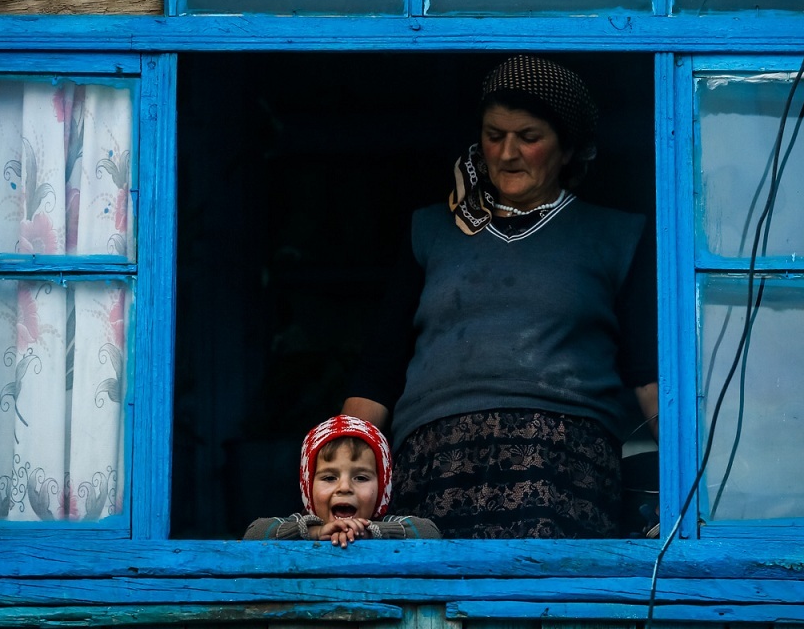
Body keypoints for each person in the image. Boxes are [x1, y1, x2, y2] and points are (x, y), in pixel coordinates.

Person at [342, 54, 658, 539]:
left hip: (559, 463)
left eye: (529, 138)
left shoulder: (614, 236)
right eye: (494, 135)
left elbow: (647, 375)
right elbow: (379, 372)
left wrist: (699, 486)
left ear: (568, 148)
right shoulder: (430, 230)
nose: (507, 153)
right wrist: (344, 475)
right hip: (434, 462)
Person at [242, 415, 441, 545]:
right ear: (308, 488)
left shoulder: (387, 524)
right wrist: (316, 533)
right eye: (329, 477)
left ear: (382, 489)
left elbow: (430, 532)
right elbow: (254, 533)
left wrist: (368, 532)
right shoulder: (301, 525)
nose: (344, 487)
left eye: (361, 477)